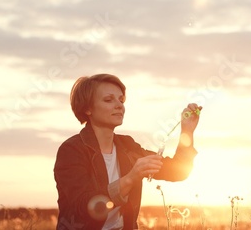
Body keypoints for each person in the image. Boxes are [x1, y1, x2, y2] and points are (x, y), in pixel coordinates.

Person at [54, 73, 201, 229]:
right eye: (108, 100)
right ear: (88, 109)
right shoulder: (71, 150)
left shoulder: (128, 146)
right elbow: (84, 207)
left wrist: (187, 131)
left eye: (121, 100)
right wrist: (131, 178)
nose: (119, 105)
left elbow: (177, 171)